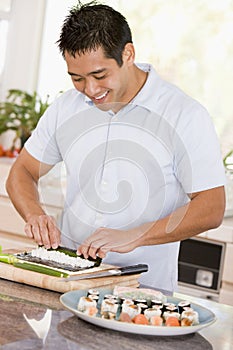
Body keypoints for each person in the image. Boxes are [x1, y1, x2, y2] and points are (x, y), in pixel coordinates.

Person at [6, 1, 226, 291]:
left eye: (100, 75)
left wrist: (134, 235)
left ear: (128, 54)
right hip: (69, 282)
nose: (91, 90)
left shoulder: (183, 115)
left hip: (144, 289)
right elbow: (22, 172)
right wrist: (35, 214)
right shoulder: (65, 108)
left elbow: (211, 206)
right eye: (77, 78)